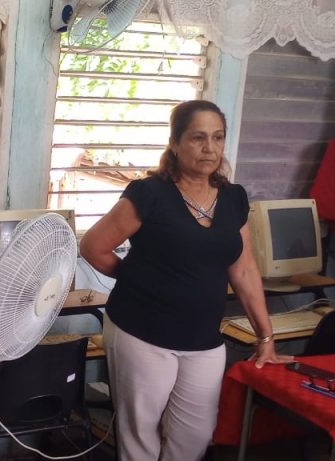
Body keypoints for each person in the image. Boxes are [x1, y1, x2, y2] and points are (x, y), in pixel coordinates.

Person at [80, 100, 293, 460]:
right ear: (175, 143)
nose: (209, 148)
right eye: (198, 138)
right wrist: (136, 280)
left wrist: (266, 337)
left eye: (217, 137)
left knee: (195, 436)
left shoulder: (234, 198)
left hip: (203, 338)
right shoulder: (149, 194)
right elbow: (94, 246)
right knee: (140, 435)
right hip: (142, 332)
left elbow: (243, 269)